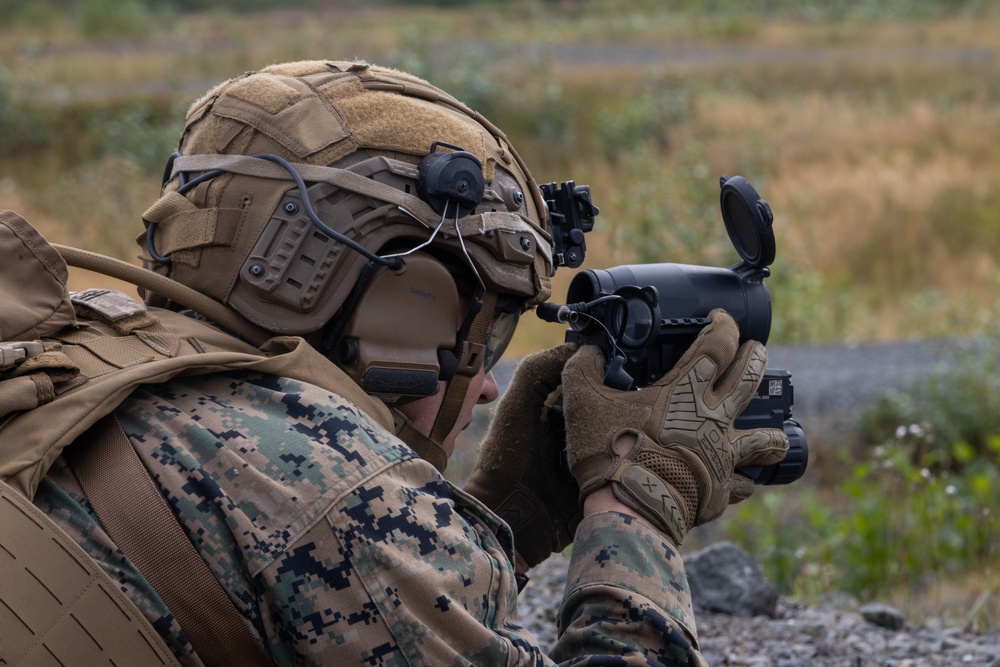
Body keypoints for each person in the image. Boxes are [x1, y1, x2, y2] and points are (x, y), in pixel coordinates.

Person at [29, 60, 789, 666]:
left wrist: (511, 521)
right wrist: (640, 506)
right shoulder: (322, 480)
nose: (488, 383)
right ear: (402, 306)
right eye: (483, 338)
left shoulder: (87, 359)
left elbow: (332, 619)